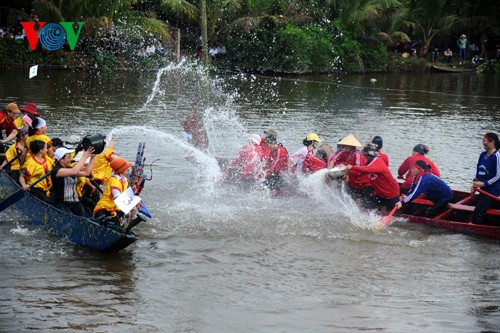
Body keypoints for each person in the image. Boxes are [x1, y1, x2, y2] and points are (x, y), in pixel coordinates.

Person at [344, 144, 400, 210]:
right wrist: (348, 173)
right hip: (381, 193)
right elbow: (360, 173)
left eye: (365, 155)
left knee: (397, 213)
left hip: (391, 192)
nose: (364, 156)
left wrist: (352, 167)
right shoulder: (369, 163)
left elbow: (367, 169)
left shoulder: (378, 161)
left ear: (369, 155)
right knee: (368, 207)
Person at [51, 146, 96, 216]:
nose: (71, 159)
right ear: (61, 159)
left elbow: (86, 173)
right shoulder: (56, 170)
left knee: (84, 216)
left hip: (75, 202)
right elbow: (74, 171)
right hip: (62, 203)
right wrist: (84, 156)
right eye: (68, 157)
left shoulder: (69, 168)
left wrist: (92, 157)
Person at [328, 134, 372, 199]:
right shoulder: (344, 152)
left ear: (350, 146)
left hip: (362, 181)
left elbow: (357, 168)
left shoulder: (357, 154)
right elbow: (333, 159)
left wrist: (347, 170)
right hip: (352, 180)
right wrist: (330, 170)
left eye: (345, 146)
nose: (343, 147)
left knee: (363, 202)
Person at [93, 157, 133, 224]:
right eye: (126, 167)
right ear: (121, 170)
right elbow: (117, 197)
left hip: (113, 210)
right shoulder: (114, 180)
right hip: (104, 209)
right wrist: (130, 205)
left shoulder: (125, 180)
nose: (127, 169)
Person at [471, 133, 500, 225]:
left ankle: (477, 235)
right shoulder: (482, 155)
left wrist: (484, 184)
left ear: (492, 142)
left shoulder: (497, 156)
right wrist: (474, 184)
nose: (483, 143)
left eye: (484, 141)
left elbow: (498, 175)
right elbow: (478, 172)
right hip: (483, 191)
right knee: (478, 209)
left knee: (477, 214)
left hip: (492, 192)